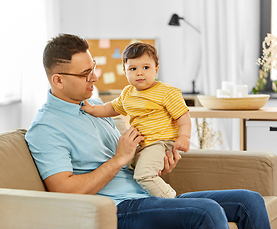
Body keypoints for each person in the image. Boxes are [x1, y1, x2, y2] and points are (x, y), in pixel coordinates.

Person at [25, 33, 270, 229]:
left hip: (147, 195)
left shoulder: (97, 108)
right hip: (116, 208)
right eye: (85, 73)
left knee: (250, 201)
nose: (94, 77)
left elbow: (135, 158)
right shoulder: (46, 128)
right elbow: (66, 191)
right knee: (208, 212)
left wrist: (157, 163)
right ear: (58, 80)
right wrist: (120, 157)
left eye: (93, 67)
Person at [82, 42, 190, 198]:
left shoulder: (166, 92)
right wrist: (92, 109)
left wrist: (184, 136)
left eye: (146, 68)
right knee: (129, 171)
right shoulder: (127, 93)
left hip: (161, 142)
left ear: (156, 69)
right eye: (133, 69)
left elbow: (182, 116)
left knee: (143, 175)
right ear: (125, 71)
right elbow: (111, 108)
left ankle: (171, 199)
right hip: (141, 145)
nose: (140, 73)